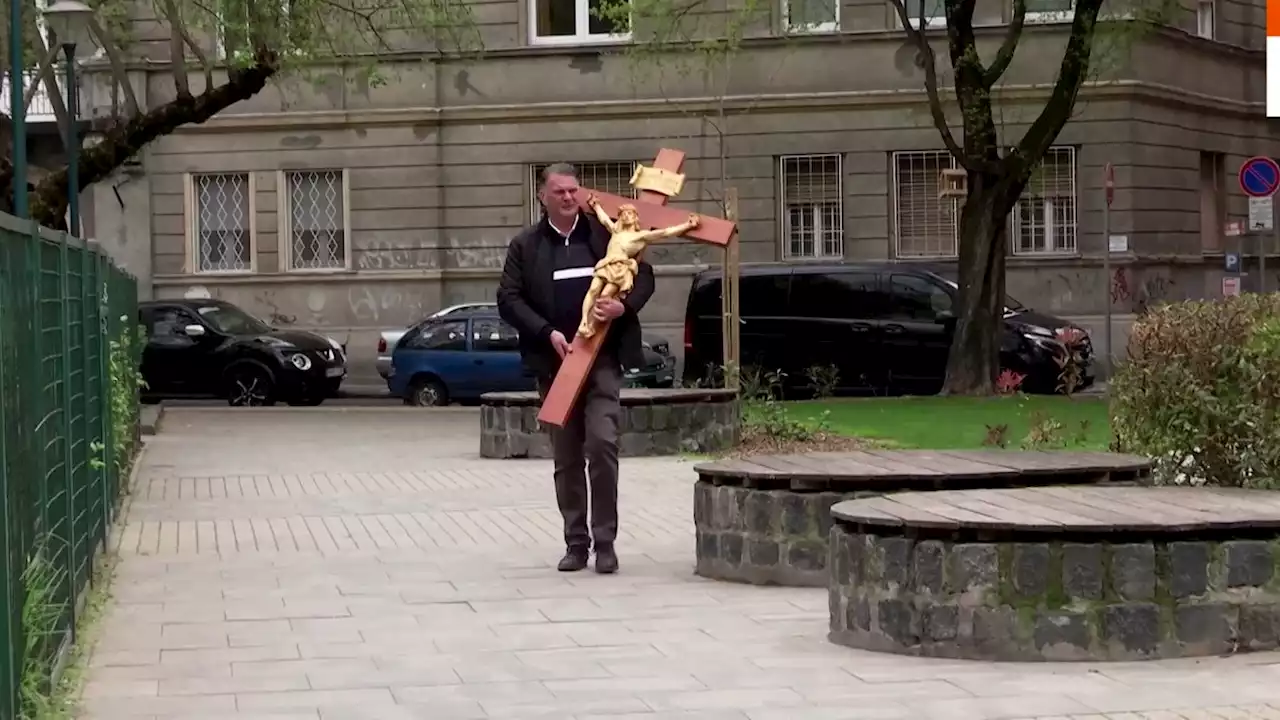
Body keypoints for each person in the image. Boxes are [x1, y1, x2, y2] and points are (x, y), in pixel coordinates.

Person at [496, 163, 655, 574]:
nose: (569, 197)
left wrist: (624, 306)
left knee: (602, 445)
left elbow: (645, 277)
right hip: (555, 366)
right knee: (566, 458)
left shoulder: (603, 234)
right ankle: (576, 543)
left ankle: (606, 543)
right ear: (542, 197)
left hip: (601, 359)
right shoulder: (525, 245)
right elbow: (508, 298)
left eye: (574, 191)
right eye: (560, 191)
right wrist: (546, 332)